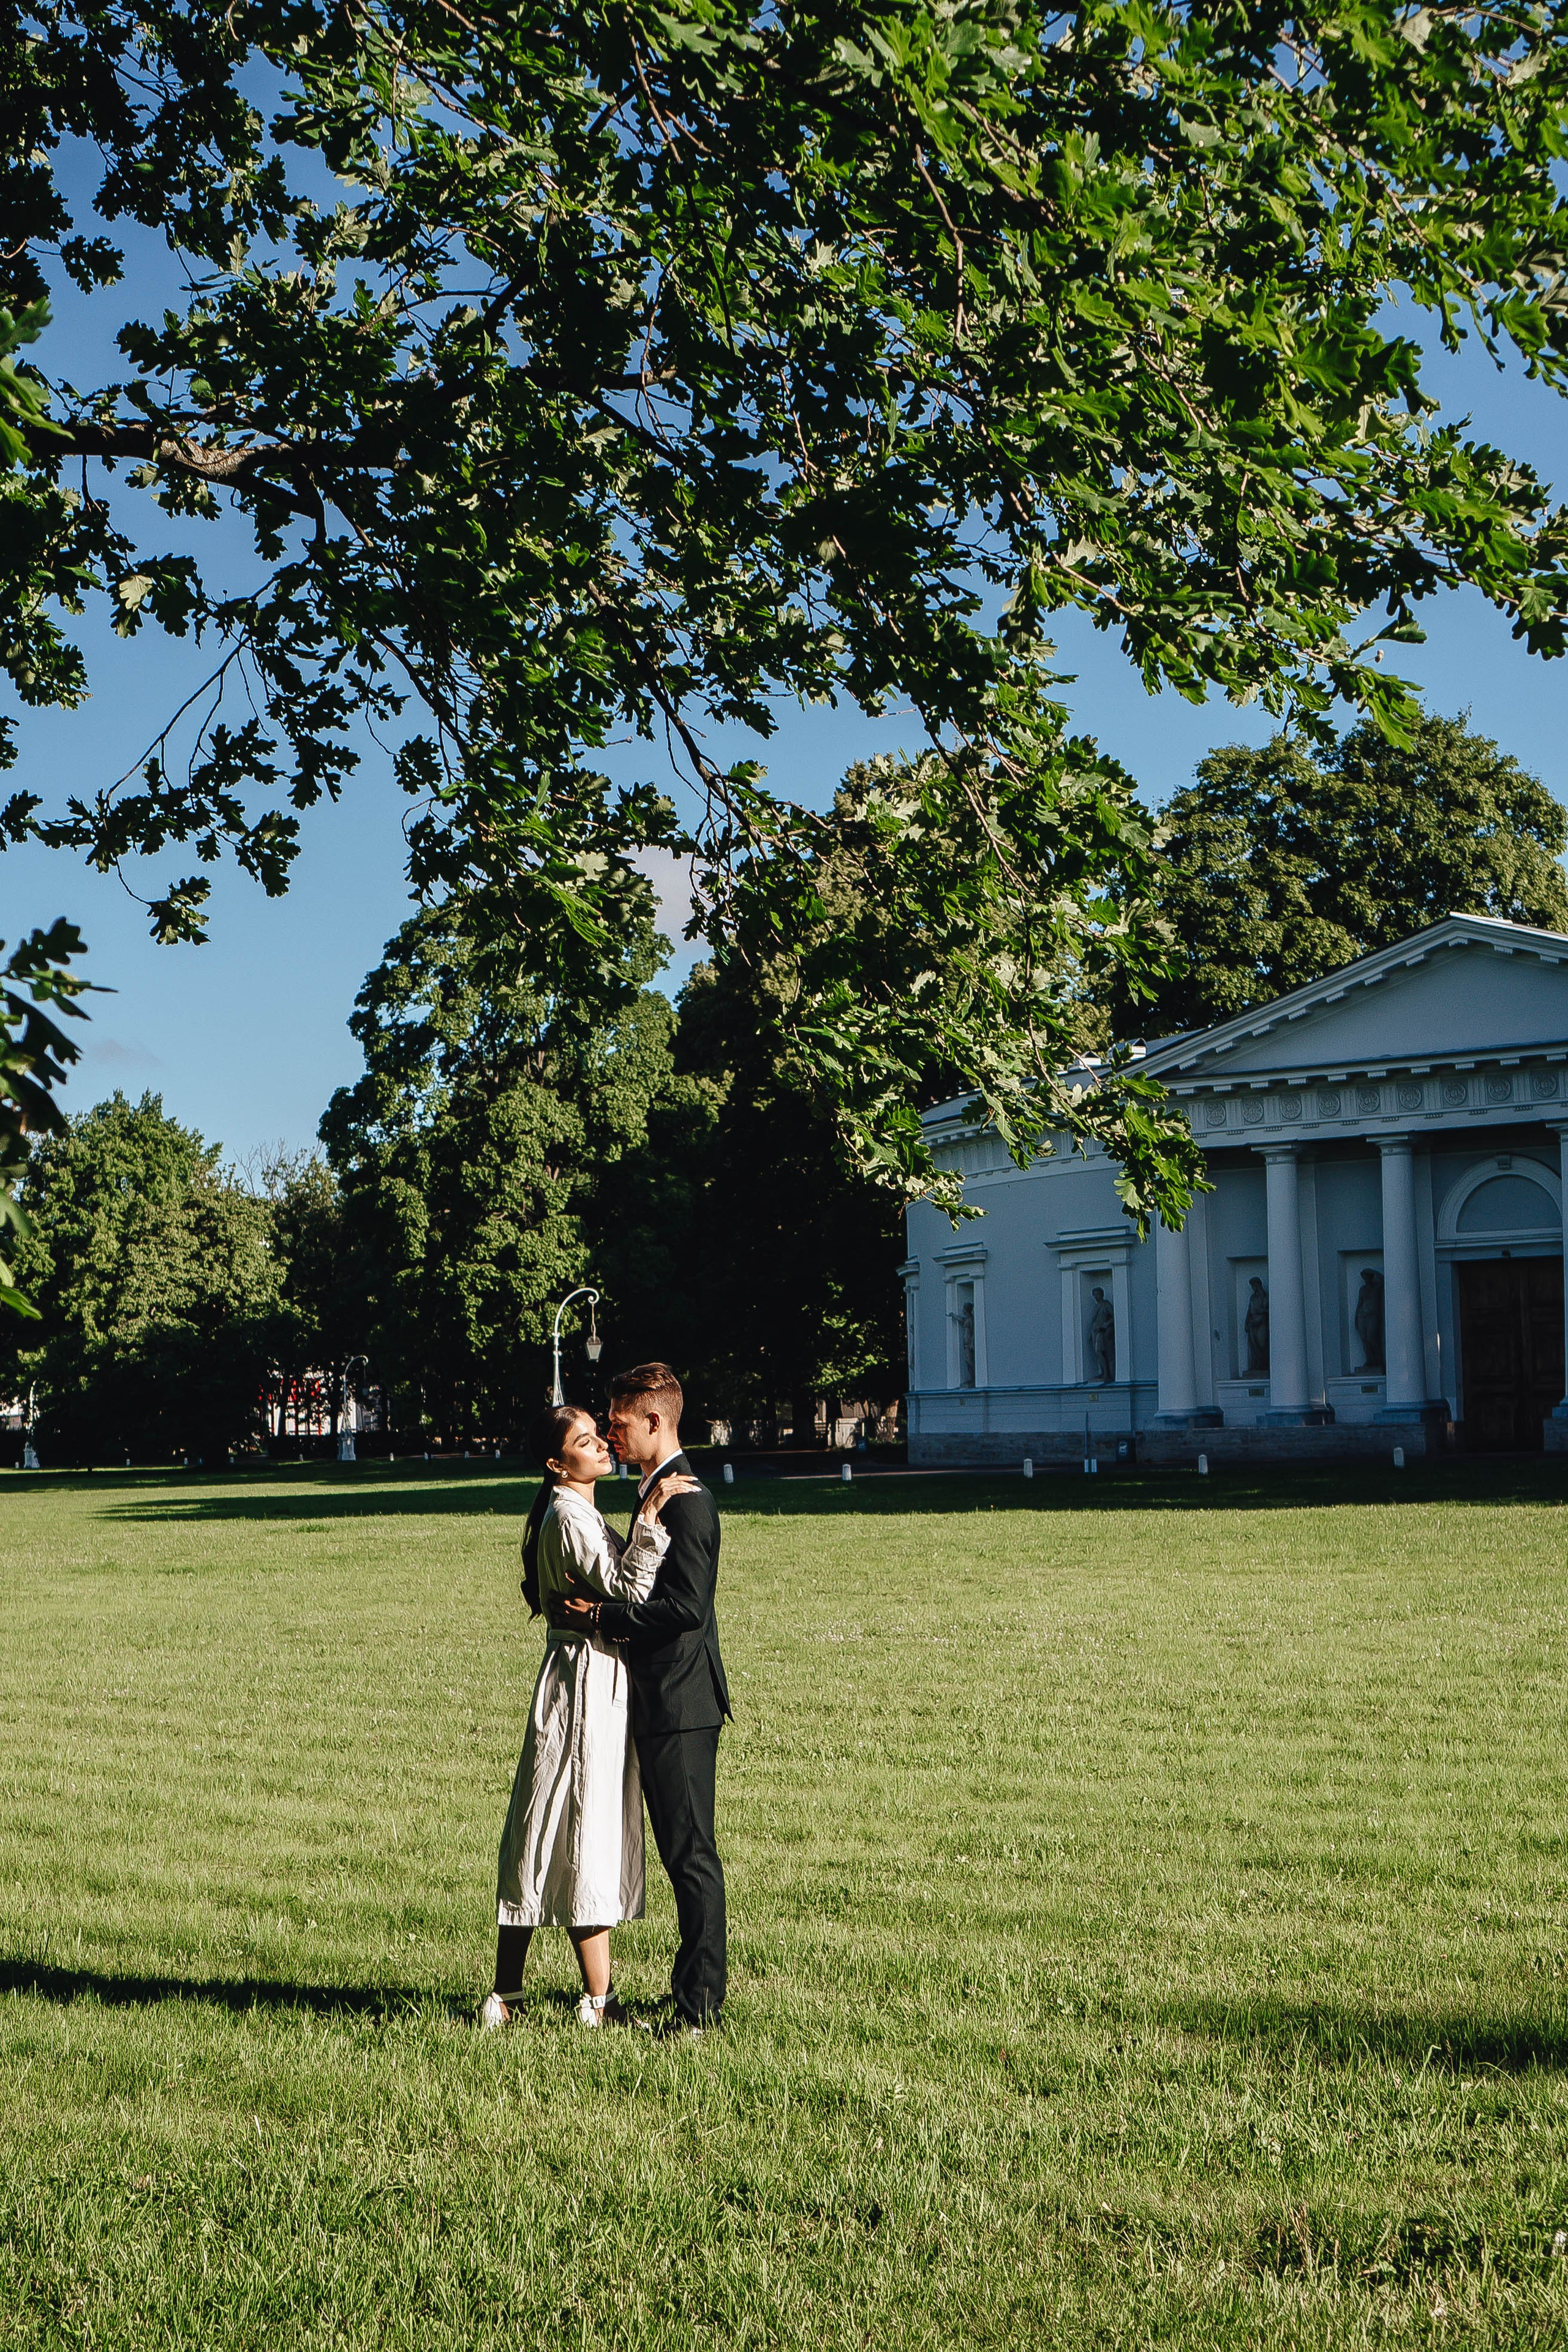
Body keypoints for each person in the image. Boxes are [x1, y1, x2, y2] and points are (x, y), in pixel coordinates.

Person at [481, 1401, 694, 2030]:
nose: (602, 1444)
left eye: (599, 1435)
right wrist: (652, 1521)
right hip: (583, 1682)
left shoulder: (575, 1511)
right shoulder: (569, 1515)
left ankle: (528, 1995)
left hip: (588, 1675)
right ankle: (586, 2002)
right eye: (584, 1441)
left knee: (558, 1827)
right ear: (556, 1463)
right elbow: (628, 1592)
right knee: (575, 1828)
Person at [550, 1361, 730, 2039]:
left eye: (620, 1424)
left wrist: (600, 1619)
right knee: (682, 1854)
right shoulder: (657, 1491)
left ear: (655, 1421)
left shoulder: (687, 1498)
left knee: (691, 1857)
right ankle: (691, 1995)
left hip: (681, 1704)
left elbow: (684, 1608)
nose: (613, 1435)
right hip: (661, 1699)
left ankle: (699, 2013)